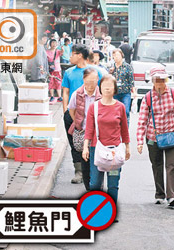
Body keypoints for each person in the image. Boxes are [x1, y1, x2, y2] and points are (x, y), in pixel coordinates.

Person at [136, 66, 174, 208]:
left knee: (171, 165)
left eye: (163, 79)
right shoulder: (147, 98)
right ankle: (160, 194)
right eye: (157, 80)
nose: (160, 82)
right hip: (153, 137)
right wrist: (139, 141)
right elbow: (142, 120)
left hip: (173, 135)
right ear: (152, 81)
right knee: (157, 165)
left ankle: (171, 196)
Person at [83, 74, 131, 209]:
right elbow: (89, 128)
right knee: (95, 184)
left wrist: (127, 147)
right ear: (100, 88)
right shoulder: (94, 107)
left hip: (115, 150)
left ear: (115, 89)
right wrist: (86, 147)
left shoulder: (120, 107)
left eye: (110, 86)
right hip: (96, 148)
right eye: (104, 86)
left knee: (113, 184)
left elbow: (124, 129)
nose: (107, 88)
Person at [62, 44, 103, 184]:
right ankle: (79, 171)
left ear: (80, 55)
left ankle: (94, 172)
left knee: (94, 144)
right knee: (76, 144)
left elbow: (105, 88)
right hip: (73, 112)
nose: (70, 57)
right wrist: (66, 112)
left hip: (93, 114)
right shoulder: (68, 73)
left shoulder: (96, 71)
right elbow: (65, 92)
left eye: (72, 54)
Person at [67, 68, 102, 191]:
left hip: (98, 135)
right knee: (86, 164)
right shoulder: (77, 94)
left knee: (98, 163)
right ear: (83, 80)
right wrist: (79, 122)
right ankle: (89, 188)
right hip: (83, 133)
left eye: (93, 81)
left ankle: (97, 189)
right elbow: (71, 110)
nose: (90, 85)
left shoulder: (102, 94)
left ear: (98, 80)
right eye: (87, 82)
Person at [110, 49, 136, 125]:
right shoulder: (112, 68)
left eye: (118, 55)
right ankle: (117, 129)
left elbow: (131, 80)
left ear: (122, 56)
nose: (116, 57)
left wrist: (134, 92)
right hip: (115, 93)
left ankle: (125, 129)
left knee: (126, 111)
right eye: (114, 56)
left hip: (125, 93)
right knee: (115, 113)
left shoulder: (128, 67)